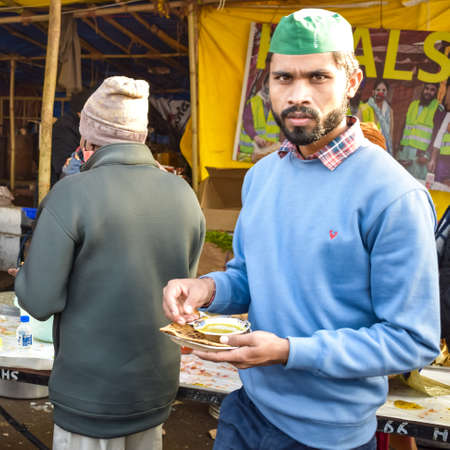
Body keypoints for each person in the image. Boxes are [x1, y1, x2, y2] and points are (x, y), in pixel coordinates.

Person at [162, 8, 440, 450]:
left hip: (328, 437)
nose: (297, 94)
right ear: (267, 83)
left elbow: (412, 339)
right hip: (246, 409)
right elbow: (249, 276)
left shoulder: (393, 195)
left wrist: (290, 351)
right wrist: (208, 289)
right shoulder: (262, 176)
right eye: (283, 78)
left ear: (351, 81)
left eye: (317, 77)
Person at [10, 76, 205, 450]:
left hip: (91, 395)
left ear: (87, 139)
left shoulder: (71, 194)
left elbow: (39, 300)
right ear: (141, 136)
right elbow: (181, 286)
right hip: (156, 387)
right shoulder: (183, 194)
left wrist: (25, 275)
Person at [397, 82, 445, 180]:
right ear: (423, 90)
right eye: (426, 88)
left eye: (432, 90)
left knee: (417, 183)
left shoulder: (438, 109)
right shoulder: (413, 104)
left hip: (421, 156)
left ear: (436, 93)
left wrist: (428, 155)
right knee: (401, 181)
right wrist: (399, 149)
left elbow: (438, 135)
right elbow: (403, 127)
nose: (428, 92)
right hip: (405, 152)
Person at [50, 89, 92, 186]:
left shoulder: (83, 125)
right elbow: (62, 164)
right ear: (80, 112)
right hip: (60, 186)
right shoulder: (64, 128)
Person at [238, 72, 281, 162]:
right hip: (248, 152)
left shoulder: (278, 105)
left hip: (269, 153)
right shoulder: (253, 102)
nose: (270, 87)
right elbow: (247, 122)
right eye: (268, 83)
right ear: (263, 84)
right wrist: (256, 137)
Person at [357, 79, 394, 154]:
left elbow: (390, 135)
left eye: (384, 90)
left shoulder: (389, 111)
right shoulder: (363, 108)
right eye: (378, 90)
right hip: (366, 149)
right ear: (373, 92)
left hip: (383, 151)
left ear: (387, 93)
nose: (381, 92)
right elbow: (357, 132)